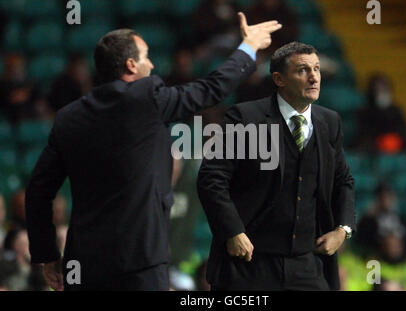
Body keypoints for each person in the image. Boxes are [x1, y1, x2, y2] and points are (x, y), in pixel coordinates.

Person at [25, 13, 282, 291]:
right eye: (146, 56)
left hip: (84, 264)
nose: (153, 63)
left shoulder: (68, 117)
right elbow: (212, 88)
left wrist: (47, 254)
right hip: (141, 262)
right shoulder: (148, 98)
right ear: (131, 64)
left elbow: (39, 191)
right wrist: (249, 47)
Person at [197, 42, 355, 291]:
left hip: (308, 264)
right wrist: (232, 232)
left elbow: (343, 181)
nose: (314, 76)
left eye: (316, 68)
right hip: (249, 263)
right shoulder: (244, 117)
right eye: (303, 70)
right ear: (279, 79)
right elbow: (211, 179)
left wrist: (342, 229)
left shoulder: (330, 121)